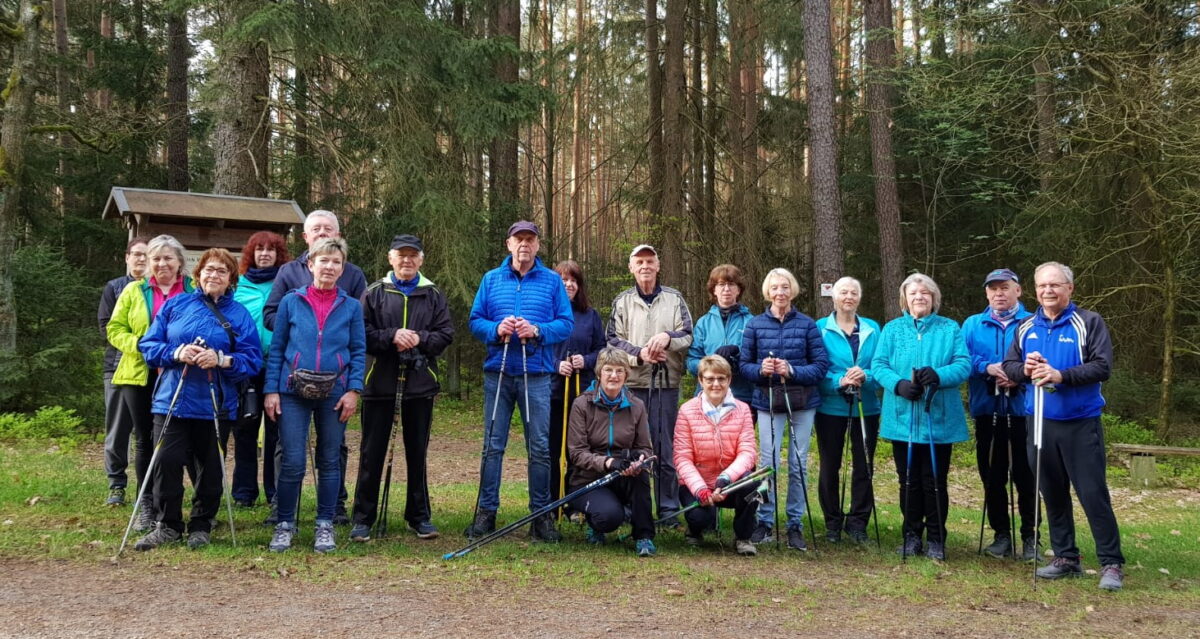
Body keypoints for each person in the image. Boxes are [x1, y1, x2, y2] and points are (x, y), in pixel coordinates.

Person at [1002, 262, 1125, 591]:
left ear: (1069, 288)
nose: (1048, 291)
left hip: (1080, 422)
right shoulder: (1026, 326)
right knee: (1052, 492)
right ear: (1035, 289)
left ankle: (1111, 562)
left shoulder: (1088, 322)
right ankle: (1066, 557)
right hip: (1039, 420)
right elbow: (1009, 366)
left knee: (1092, 493)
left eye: (1055, 285)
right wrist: (1025, 369)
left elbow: (1102, 367)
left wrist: (1061, 376)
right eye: (1042, 286)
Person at [132, 248, 262, 550]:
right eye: (209, 269)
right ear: (198, 274)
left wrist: (222, 360)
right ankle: (168, 525)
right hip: (172, 399)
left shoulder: (238, 314)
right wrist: (177, 353)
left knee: (211, 467)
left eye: (221, 271)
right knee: (167, 462)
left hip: (216, 402)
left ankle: (202, 524)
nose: (213, 275)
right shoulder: (177, 305)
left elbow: (252, 360)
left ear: (230, 279)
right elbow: (149, 345)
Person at [466, 221, 573, 541]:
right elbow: (475, 321)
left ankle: (541, 516)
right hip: (497, 372)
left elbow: (565, 324)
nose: (524, 245)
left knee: (540, 448)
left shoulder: (552, 282)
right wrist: (496, 329)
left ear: (538, 245)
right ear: (508, 244)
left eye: (530, 239)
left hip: (537, 375)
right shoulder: (491, 279)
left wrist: (537, 330)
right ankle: (486, 513)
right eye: (518, 239)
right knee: (492, 446)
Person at [262, 209, 367, 525]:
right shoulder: (290, 292)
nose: (330, 266)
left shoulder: (352, 290)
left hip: (334, 387)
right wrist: (272, 388)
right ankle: (283, 516)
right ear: (309, 259)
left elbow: (358, 344)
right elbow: (277, 342)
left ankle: (330, 514)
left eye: (329, 228)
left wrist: (354, 388)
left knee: (332, 457)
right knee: (291, 457)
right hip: (293, 385)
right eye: (316, 229)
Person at [351, 234, 454, 542]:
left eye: (413, 255)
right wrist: (392, 336)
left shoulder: (433, 294)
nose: (407, 260)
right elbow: (361, 332)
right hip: (379, 383)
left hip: (420, 386)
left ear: (421, 260)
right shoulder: (373, 292)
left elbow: (445, 333)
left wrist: (419, 339)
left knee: (417, 452)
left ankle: (419, 516)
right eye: (401, 255)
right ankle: (363, 517)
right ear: (390, 258)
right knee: (372, 453)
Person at [872, 273, 970, 561]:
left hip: (937, 418)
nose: (919, 297)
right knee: (908, 480)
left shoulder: (949, 328)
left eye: (925, 293)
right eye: (914, 293)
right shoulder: (892, 329)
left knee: (935, 480)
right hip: (903, 418)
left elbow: (964, 365)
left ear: (933, 297)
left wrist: (939, 375)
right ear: (905, 298)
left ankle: (937, 538)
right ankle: (911, 535)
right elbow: (878, 365)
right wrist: (898, 384)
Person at [107, 235, 195, 532]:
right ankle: (146, 504)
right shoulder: (134, 291)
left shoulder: (193, 291)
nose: (161, 264)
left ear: (180, 262)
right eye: (156, 258)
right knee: (145, 439)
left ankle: (189, 505)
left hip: (181, 375)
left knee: (185, 441)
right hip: (139, 373)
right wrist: (141, 345)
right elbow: (115, 328)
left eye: (168, 258)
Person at [738, 268, 829, 550]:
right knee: (768, 464)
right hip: (767, 403)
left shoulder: (807, 325)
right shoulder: (754, 325)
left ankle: (794, 524)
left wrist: (791, 370)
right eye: (775, 287)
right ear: (768, 291)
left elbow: (821, 366)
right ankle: (765, 521)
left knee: (798, 464)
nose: (780, 292)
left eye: (785, 287)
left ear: (792, 291)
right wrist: (760, 369)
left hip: (802, 403)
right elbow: (743, 366)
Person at [606, 244, 694, 525]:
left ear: (658, 266)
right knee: (630, 447)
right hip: (631, 383)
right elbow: (612, 340)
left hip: (666, 383)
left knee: (664, 447)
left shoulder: (674, 298)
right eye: (639, 262)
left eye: (650, 261)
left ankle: (668, 509)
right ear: (631, 267)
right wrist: (639, 355)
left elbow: (688, 334)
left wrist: (667, 338)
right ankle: (633, 507)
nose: (645, 266)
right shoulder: (622, 301)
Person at [961, 268, 1037, 560]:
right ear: (986, 293)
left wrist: (1018, 375)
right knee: (992, 475)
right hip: (987, 409)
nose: (998, 294)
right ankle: (1001, 536)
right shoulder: (972, 324)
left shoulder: (1033, 322)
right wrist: (987, 368)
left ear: (1018, 290)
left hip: (1023, 411)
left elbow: (1043, 358)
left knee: (1026, 475)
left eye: (1004, 287)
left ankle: (1031, 537)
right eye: (993, 289)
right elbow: (961, 359)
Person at [566, 347, 655, 556]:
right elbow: (577, 453)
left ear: (626, 374)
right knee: (608, 518)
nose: (613, 376)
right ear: (599, 373)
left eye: (619, 371)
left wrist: (639, 460)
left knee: (642, 475)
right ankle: (598, 520)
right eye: (608, 370)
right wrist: (607, 462)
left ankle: (644, 536)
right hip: (589, 478)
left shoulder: (637, 405)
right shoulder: (582, 404)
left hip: (624, 474)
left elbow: (645, 447)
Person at [814, 276, 882, 545]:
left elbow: (882, 365)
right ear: (834, 297)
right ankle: (832, 522)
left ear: (860, 297)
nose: (848, 297)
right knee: (830, 466)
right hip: (831, 407)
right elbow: (817, 368)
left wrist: (865, 375)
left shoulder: (873, 328)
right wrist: (838, 381)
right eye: (843, 292)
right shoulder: (820, 328)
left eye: (854, 292)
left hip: (867, 407)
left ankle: (858, 523)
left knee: (864, 466)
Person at [674, 355, 759, 556]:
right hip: (698, 484)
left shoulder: (743, 409)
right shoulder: (686, 410)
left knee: (755, 483)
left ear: (729, 380)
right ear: (701, 380)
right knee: (700, 518)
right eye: (710, 379)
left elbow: (747, 452)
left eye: (721, 378)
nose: (716, 384)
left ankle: (743, 537)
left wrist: (726, 477)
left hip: (730, 482)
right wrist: (701, 490)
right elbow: (681, 457)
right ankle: (694, 530)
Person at [229, 231, 291, 509]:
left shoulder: (284, 284)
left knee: (277, 430)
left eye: (270, 250)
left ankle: (275, 491)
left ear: (279, 254)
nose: (265, 254)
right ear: (250, 254)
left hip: (278, 364)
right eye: (259, 249)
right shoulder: (238, 287)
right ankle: (244, 492)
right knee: (245, 428)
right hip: (246, 365)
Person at [549, 260, 606, 512]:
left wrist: (587, 360)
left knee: (579, 449)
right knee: (552, 447)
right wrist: (555, 364)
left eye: (573, 280)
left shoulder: (590, 315)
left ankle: (575, 502)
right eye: (563, 280)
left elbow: (602, 349)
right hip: (552, 390)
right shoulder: (546, 313)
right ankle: (552, 502)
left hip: (582, 392)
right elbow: (537, 347)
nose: (568, 284)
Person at [99, 237, 148, 507]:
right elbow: (106, 326)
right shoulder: (115, 287)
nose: (141, 259)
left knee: (146, 432)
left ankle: (147, 488)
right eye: (136, 254)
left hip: (152, 371)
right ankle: (116, 484)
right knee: (118, 431)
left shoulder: (155, 290)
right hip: (118, 367)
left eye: (145, 255)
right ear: (127, 257)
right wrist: (140, 346)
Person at [687, 264, 753, 406]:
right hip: (707, 396)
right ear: (714, 290)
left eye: (731, 284)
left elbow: (757, 360)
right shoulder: (703, 323)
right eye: (721, 284)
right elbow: (692, 360)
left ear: (738, 290)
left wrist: (736, 359)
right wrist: (711, 366)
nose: (726, 289)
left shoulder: (751, 322)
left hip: (741, 395)